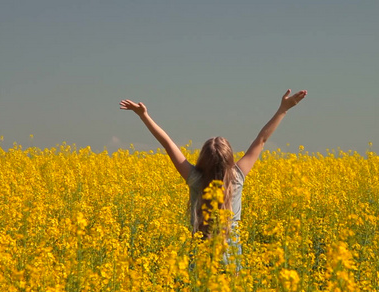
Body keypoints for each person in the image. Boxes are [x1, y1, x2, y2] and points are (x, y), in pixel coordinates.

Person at [119, 89, 307, 268]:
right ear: (230, 159)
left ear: (202, 159)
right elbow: (261, 140)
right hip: (231, 259)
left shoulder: (195, 179)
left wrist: (143, 115)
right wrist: (283, 109)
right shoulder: (236, 177)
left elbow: (167, 143)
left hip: (201, 259)